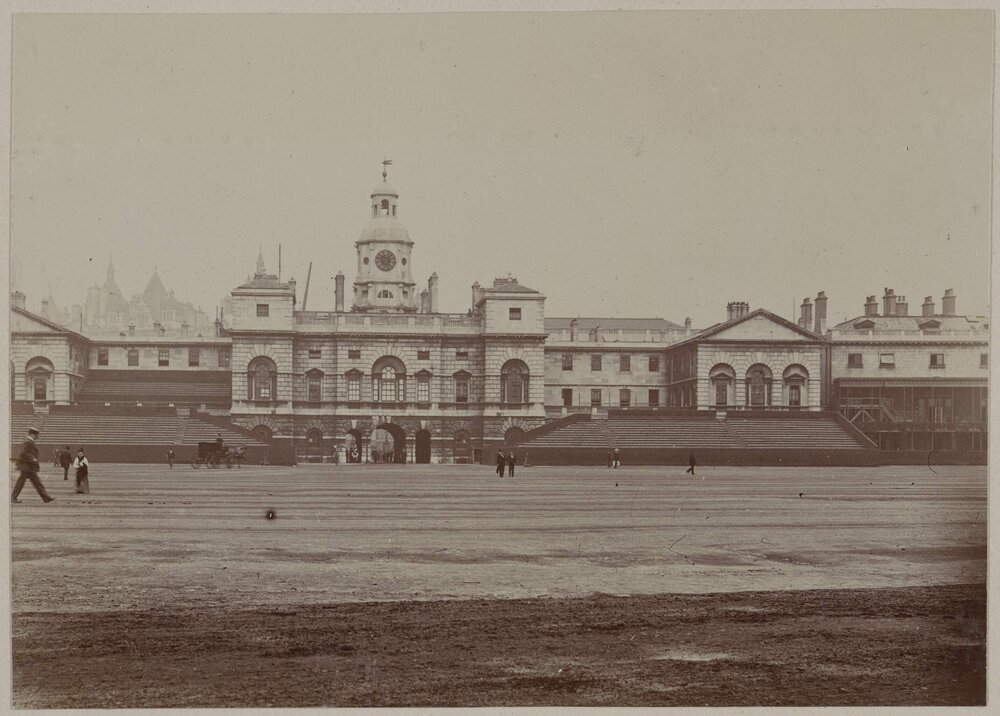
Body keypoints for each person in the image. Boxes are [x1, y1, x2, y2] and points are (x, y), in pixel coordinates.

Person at [12, 428, 54, 504]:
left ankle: (46, 498)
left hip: (28, 467)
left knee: (36, 483)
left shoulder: (29, 441)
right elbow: (24, 453)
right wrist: (32, 458)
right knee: (26, 483)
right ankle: (13, 497)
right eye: (36, 435)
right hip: (27, 467)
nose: (37, 437)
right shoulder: (28, 442)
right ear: (32, 434)